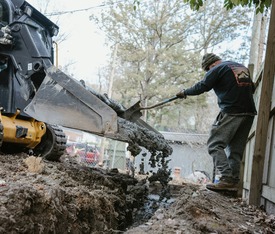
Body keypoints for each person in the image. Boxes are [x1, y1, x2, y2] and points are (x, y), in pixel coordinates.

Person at [176, 53, 257, 191]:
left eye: (207, 70)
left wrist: (185, 92)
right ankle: (233, 184)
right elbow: (253, 88)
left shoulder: (216, 69)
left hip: (232, 111)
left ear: (211, 65)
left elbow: (202, 86)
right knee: (235, 150)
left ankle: (226, 178)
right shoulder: (240, 67)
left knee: (214, 144)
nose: (208, 72)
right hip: (249, 113)